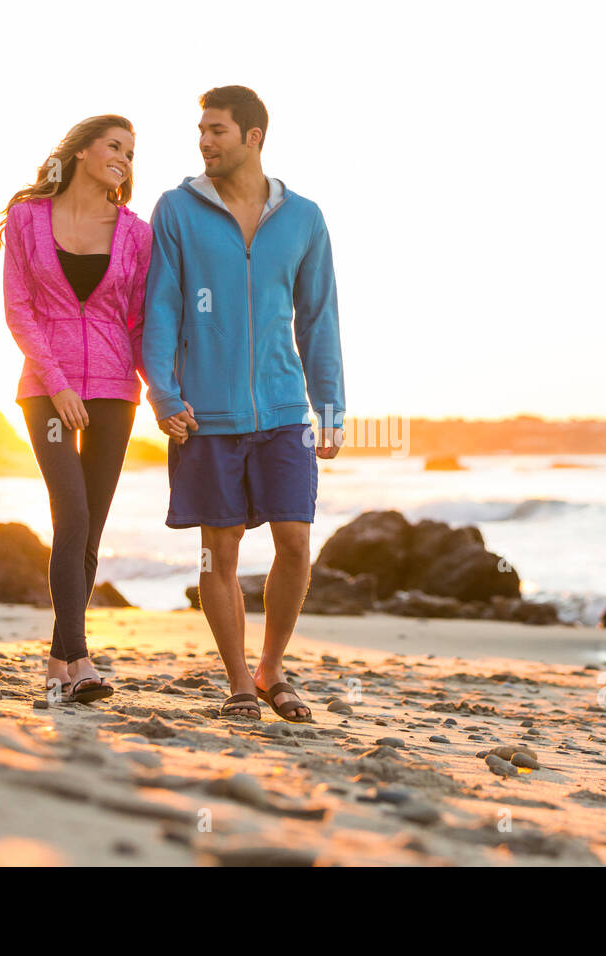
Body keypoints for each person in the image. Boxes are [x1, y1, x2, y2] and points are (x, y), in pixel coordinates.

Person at [141, 85, 345, 722]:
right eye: (201, 130)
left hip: (284, 408)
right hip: (207, 413)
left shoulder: (304, 218)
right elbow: (162, 306)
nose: (204, 141)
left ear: (253, 136)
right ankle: (237, 683)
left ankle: (271, 667)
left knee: (295, 539)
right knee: (218, 550)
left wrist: (330, 405)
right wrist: (163, 392)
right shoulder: (176, 209)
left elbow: (318, 319)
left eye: (217, 130)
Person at [0, 114, 153, 704]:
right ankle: (82, 658)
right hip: (46, 390)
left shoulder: (136, 234)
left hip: (116, 389)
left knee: (90, 529)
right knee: (72, 514)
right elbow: (19, 309)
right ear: (83, 152)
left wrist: (161, 394)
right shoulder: (27, 219)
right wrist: (57, 382)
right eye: (114, 146)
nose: (124, 159)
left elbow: (137, 322)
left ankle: (58, 664)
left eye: (131, 153)